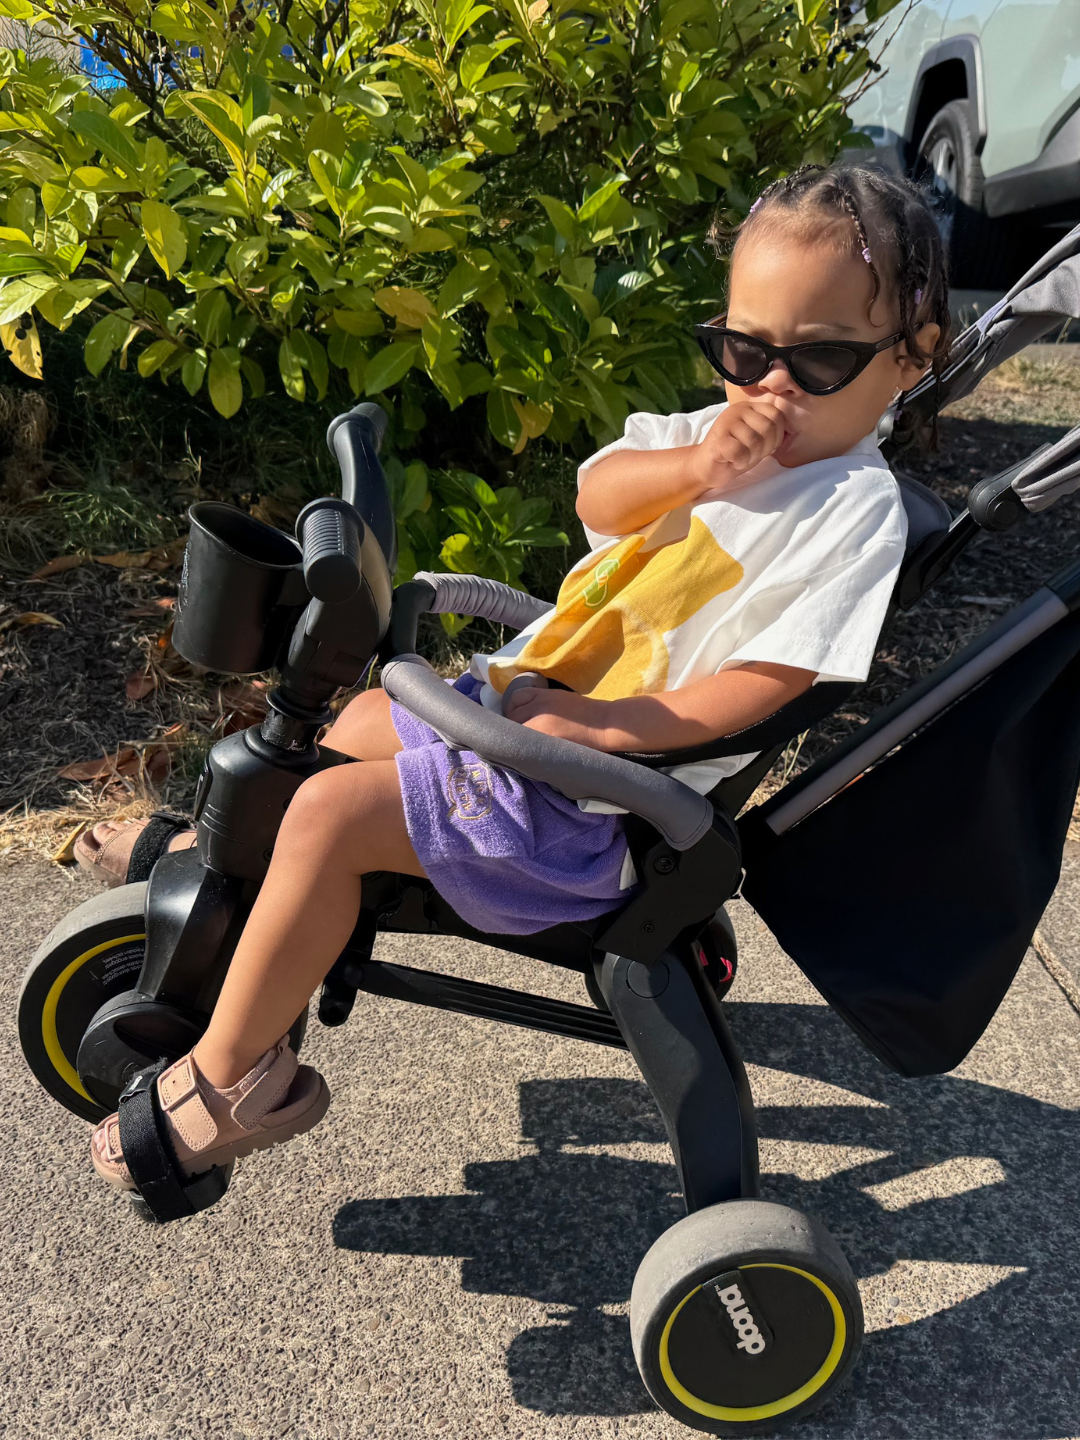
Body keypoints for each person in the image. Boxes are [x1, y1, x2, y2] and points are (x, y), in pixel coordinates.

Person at [87, 162, 948, 1192]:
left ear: (911, 358)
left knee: (328, 816)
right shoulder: (709, 441)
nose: (767, 389)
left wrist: (606, 730)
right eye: (743, 349)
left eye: (816, 363)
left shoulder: (852, 511)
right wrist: (700, 471)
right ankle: (217, 872)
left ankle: (234, 1085)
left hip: (584, 804)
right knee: (349, 721)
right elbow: (601, 490)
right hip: (519, 727)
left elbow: (774, 684)